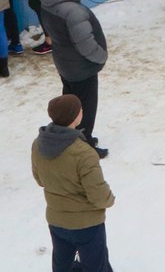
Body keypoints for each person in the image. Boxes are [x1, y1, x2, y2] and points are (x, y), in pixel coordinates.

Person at [32, 94, 115, 272]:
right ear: (74, 116)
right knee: (96, 266)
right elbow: (98, 194)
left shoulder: (38, 144)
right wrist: (109, 200)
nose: (82, 111)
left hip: (56, 220)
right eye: (80, 110)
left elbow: (39, 179)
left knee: (63, 264)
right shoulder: (83, 153)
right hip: (86, 225)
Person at [41, 0, 109, 157]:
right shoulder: (73, 11)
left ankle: (72, 137)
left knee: (70, 104)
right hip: (82, 68)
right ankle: (84, 145)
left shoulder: (47, 1)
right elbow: (85, 43)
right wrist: (101, 56)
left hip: (64, 63)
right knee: (84, 109)